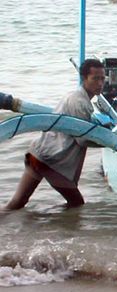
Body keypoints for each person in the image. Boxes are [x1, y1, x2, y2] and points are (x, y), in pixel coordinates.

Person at [5, 59, 106, 210]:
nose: (100, 83)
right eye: (95, 78)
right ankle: (61, 230)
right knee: (76, 203)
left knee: (17, 203)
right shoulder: (79, 102)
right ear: (84, 78)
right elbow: (82, 141)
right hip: (49, 160)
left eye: (103, 78)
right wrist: (109, 143)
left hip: (38, 154)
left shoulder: (75, 97)